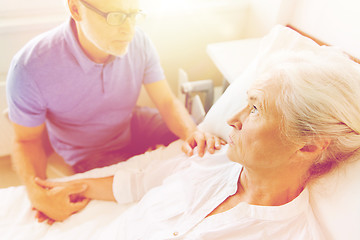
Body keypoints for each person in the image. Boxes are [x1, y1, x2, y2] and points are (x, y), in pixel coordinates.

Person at [35, 48, 360, 239]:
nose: (234, 118)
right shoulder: (212, 155)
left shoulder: (289, 234)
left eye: (256, 108)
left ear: (308, 146)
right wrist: (75, 188)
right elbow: (139, 182)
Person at [6, 0, 224, 225]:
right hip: (90, 150)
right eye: (115, 17)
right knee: (138, 192)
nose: (128, 30)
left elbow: (167, 102)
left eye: (133, 15)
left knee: (207, 140)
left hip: (131, 122)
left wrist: (191, 132)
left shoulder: (139, 42)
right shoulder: (30, 67)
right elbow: (27, 141)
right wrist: (38, 195)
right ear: (75, 9)